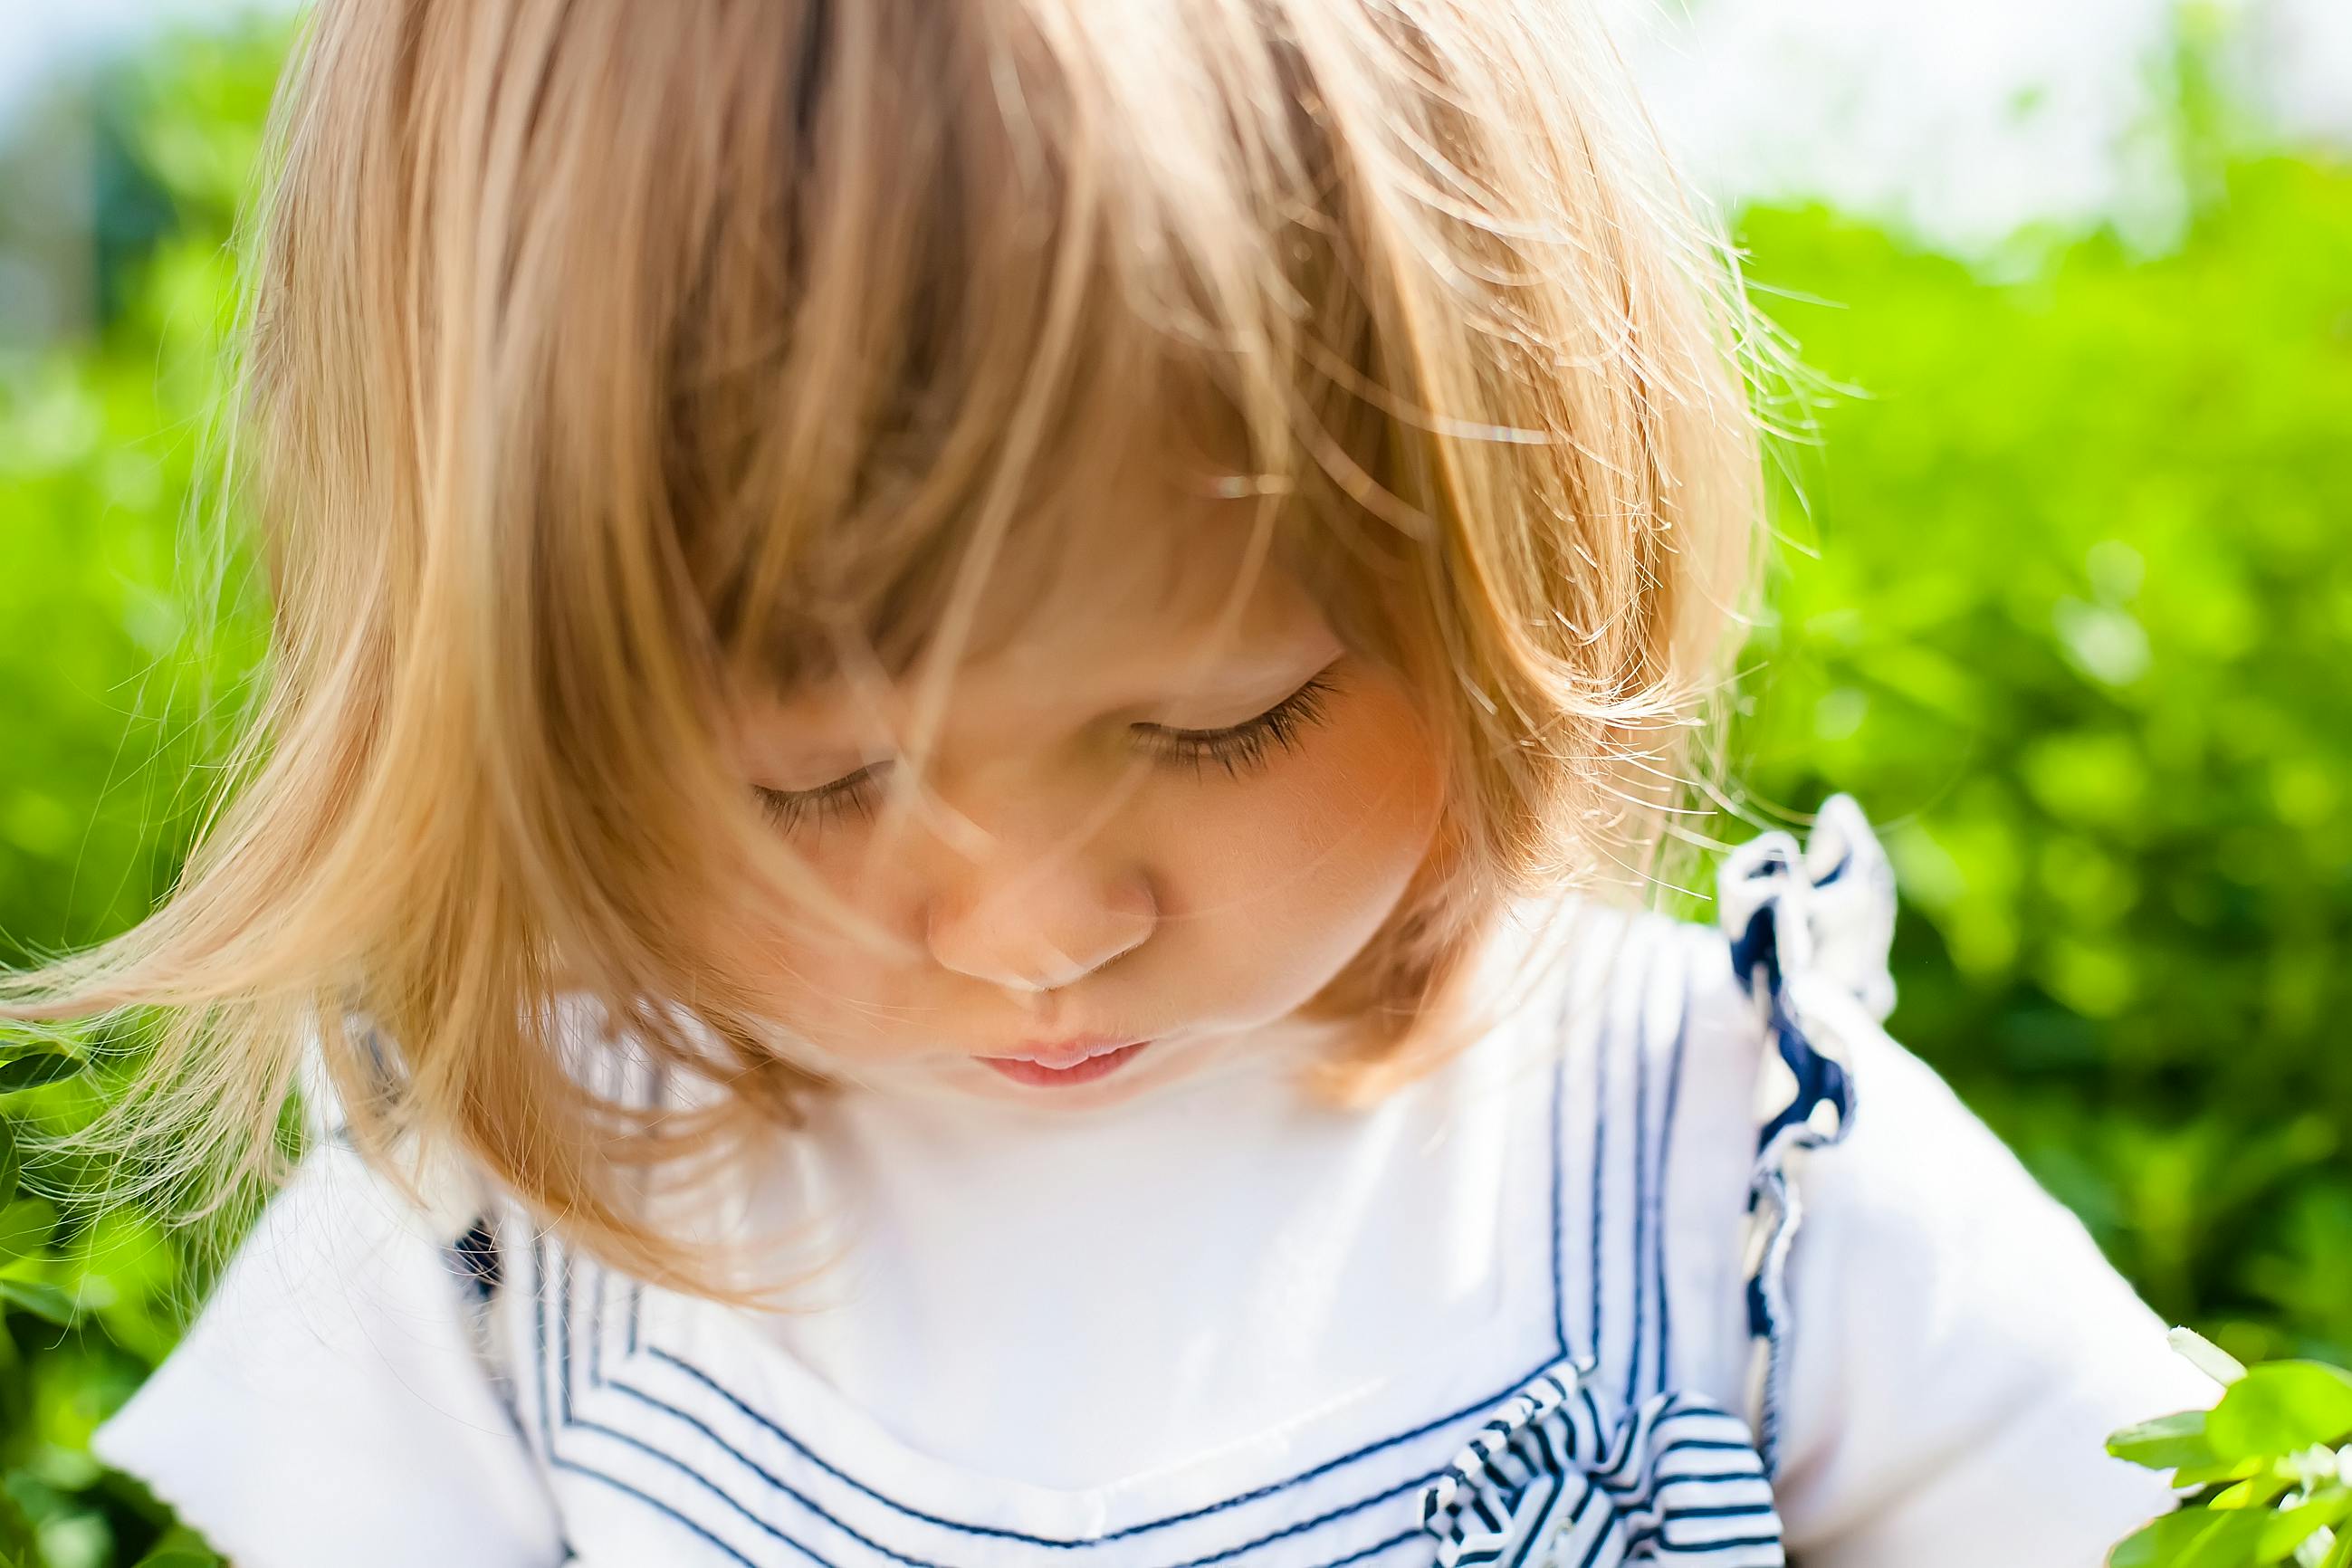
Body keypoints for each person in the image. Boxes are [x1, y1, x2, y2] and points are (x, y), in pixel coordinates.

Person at [5, 1, 2213, 1563]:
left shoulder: (1714, 1165)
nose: (1041, 928)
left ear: (1532, 556)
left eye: (1225, 720)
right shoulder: (509, 1214)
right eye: (813, 779)